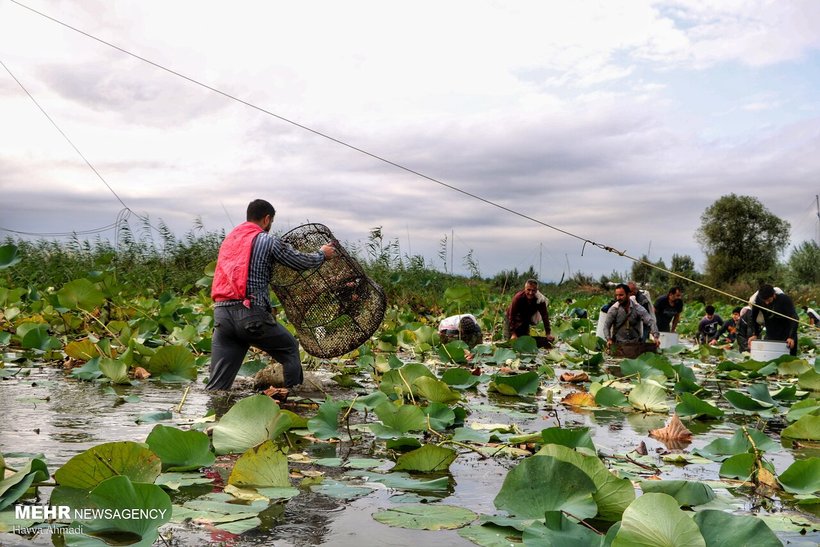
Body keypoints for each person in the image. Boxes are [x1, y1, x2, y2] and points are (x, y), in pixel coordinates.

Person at [206, 199, 336, 394]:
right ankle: (294, 401)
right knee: (290, 349)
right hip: (250, 317)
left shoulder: (229, 241)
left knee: (217, 387)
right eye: (271, 222)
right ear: (267, 219)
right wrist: (322, 254)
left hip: (222, 317)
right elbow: (299, 261)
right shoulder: (266, 240)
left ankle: (213, 418)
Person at [602, 283, 660, 350]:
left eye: (621, 295)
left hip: (635, 344)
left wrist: (655, 337)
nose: (618, 298)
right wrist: (608, 339)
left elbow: (650, 321)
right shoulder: (613, 309)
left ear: (628, 294)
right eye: (616, 295)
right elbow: (606, 326)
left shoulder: (638, 308)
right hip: (619, 345)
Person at [748, 284, 799, 356]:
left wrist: (791, 337)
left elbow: (794, 318)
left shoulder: (784, 299)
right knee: (771, 358)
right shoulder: (758, 300)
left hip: (786, 332)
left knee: (790, 360)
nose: (767, 303)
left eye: (769, 300)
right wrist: (755, 334)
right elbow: (753, 318)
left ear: (774, 295)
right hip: (771, 333)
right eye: (764, 301)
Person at [505, 279, 554, 344]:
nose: (530, 293)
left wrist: (548, 333)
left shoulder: (540, 300)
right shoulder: (518, 297)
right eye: (528, 290)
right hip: (511, 318)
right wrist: (513, 333)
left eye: (533, 290)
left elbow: (545, 316)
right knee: (510, 342)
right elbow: (511, 315)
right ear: (525, 289)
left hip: (525, 319)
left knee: (525, 341)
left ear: (536, 290)